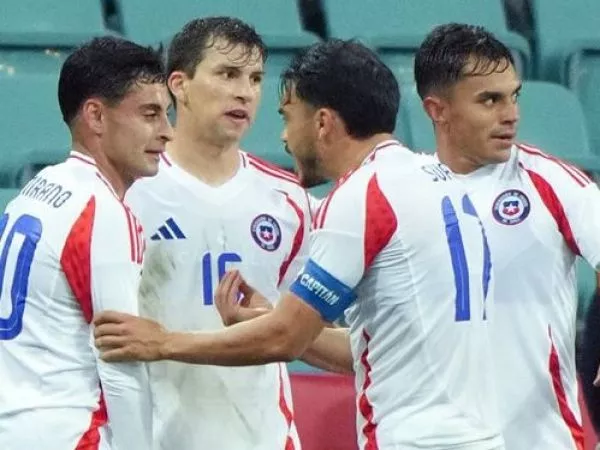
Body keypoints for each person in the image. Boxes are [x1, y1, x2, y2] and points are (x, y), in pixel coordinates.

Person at [95, 39, 505, 450]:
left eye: (288, 117)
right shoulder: (448, 185)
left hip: (415, 440)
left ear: (322, 123)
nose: (284, 137)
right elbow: (365, 348)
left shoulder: (361, 197)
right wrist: (272, 318)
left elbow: (283, 338)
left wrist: (163, 342)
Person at [123, 17, 311, 450]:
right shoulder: (131, 192)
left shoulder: (289, 201)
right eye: (227, 74)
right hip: (158, 437)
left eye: (255, 78)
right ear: (179, 85)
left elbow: (302, 329)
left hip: (266, 438)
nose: (245, 92)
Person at [413, 22, 600, 450]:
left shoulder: (552, 184)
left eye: (514, 96)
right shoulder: (401, 193)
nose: (511, 114)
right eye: (490, 100)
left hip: (539, 441)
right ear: (437, 110)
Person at [0, 36, 172, 449]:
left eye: (167, 114)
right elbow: (120, 359)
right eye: (150, 114)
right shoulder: (103, 211)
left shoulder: (35, 189)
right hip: (70, 430)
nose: (167, 132)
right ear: (96, 115)